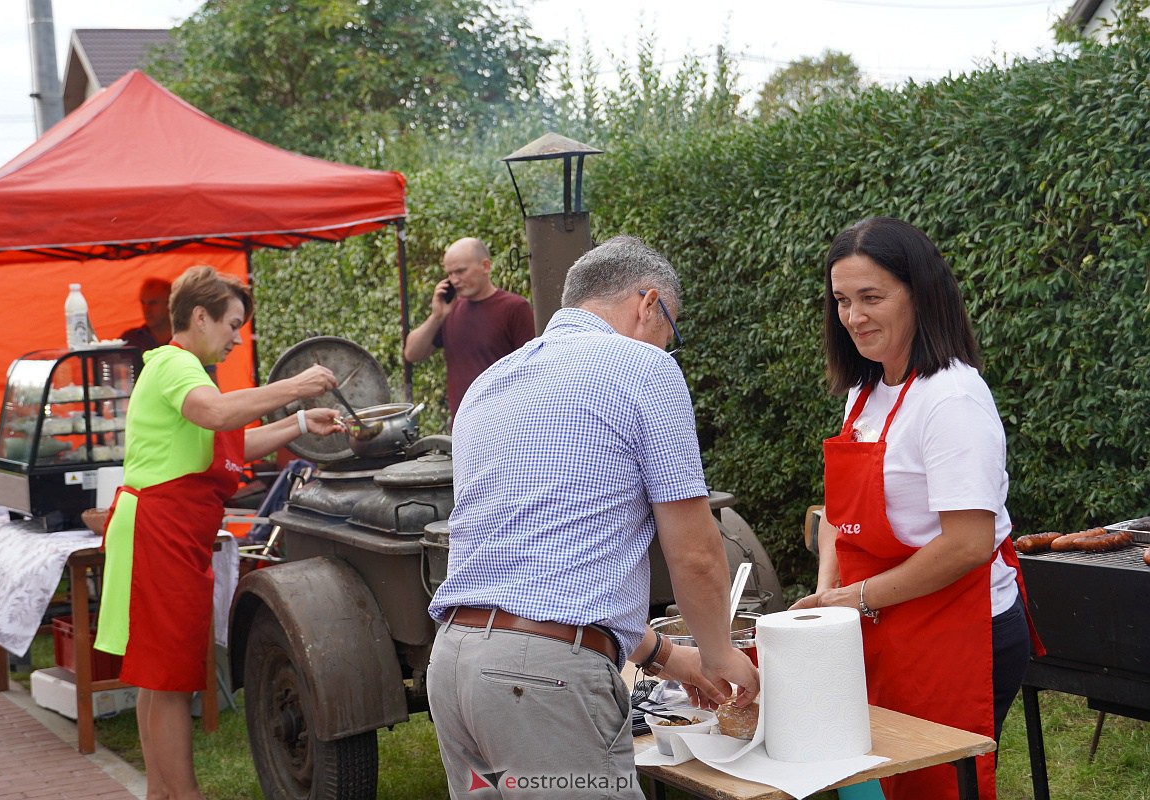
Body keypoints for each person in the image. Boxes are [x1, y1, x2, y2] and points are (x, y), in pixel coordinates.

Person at [426, 235, 759, 799]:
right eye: (669, 332)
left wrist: (672, 659)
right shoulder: (644, 368)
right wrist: (723, 652)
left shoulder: (490, 383)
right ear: (648, 303)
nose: (666, 347)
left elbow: (548, 569)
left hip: (454, 664)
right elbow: (696, 552)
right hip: (541, 680)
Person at [791, 217, 1042, 800]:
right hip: (879, 621)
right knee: (873, 780)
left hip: (956, 632)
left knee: (933, 787)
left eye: (872, 298)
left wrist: (851, 599)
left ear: (920, 294)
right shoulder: (866, 390)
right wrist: (829, 597)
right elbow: (840, 513)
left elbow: (968, 543)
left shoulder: (951, 398)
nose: (854, 317)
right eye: (842, 301)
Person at [94, 265, 345, 800]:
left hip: (169, 533)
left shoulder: (185, 373)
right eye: (232, 324)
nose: (236, 337)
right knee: (172, 678)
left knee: (161, 678)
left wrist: (300, 422)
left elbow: (229, 444)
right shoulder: (173, 365)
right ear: (200, 316)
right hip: (159, 532)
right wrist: (295, 386)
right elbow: (216, 414)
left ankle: (161, 792)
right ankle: (184, 795)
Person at [402, 237, 534, 419]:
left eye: (460, 271)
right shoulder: (450, 309)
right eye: (449, 274)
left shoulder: (514, 308)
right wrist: (436, 316)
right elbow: (412, 354)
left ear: (485, 266)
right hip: (462, 424)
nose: (454, 280)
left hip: (505, 421)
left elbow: (532, 370)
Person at [119, 277, 173, 362]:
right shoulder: (130, 340)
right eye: (143, 303)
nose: (146, 310)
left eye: (153, 303)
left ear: (170, 304)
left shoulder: (185, 339)